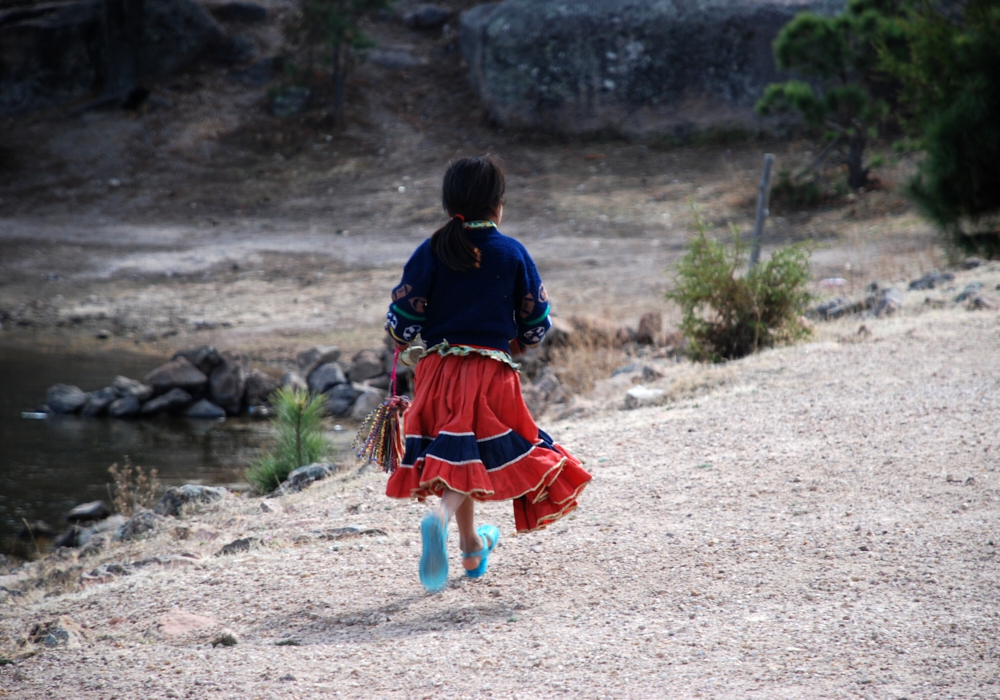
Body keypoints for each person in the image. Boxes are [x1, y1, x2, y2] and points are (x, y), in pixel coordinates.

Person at [384, 155, 592, 592]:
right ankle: (438, 520)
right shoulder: (512, 253)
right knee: (488, 450)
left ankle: (471, 548)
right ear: (498, 205)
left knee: (459, 456)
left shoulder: (431, 250)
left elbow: (401, 320)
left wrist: (415, 340)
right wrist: (512, 339)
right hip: (490, 373)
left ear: (448, 203)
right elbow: (536, 326)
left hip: (436, 373)